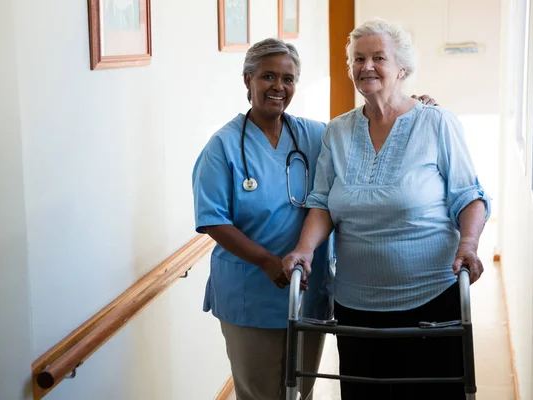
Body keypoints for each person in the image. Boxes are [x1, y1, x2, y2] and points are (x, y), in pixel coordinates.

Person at [192, 37, 437, 400]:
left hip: (309, 288)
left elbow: (372, 128)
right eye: (267, 77)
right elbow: (213, 220)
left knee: (300, 390)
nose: (278, 87)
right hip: (250, 293)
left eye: (288, 79)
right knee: (260, 394)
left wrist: (415, 109)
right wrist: (266, 261)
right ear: (248, 80)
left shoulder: (317, 134)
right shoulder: (222, 147)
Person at [282, 18, 490, 400]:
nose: (367, 66)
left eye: (379, 57)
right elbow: (322, 202)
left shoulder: (437, 123)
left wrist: (469, 245)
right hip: (355, 306)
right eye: (358, 59)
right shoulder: (338, 132)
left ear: (402, 68)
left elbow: (469, 196)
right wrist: (304, 249)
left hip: (429, 299)